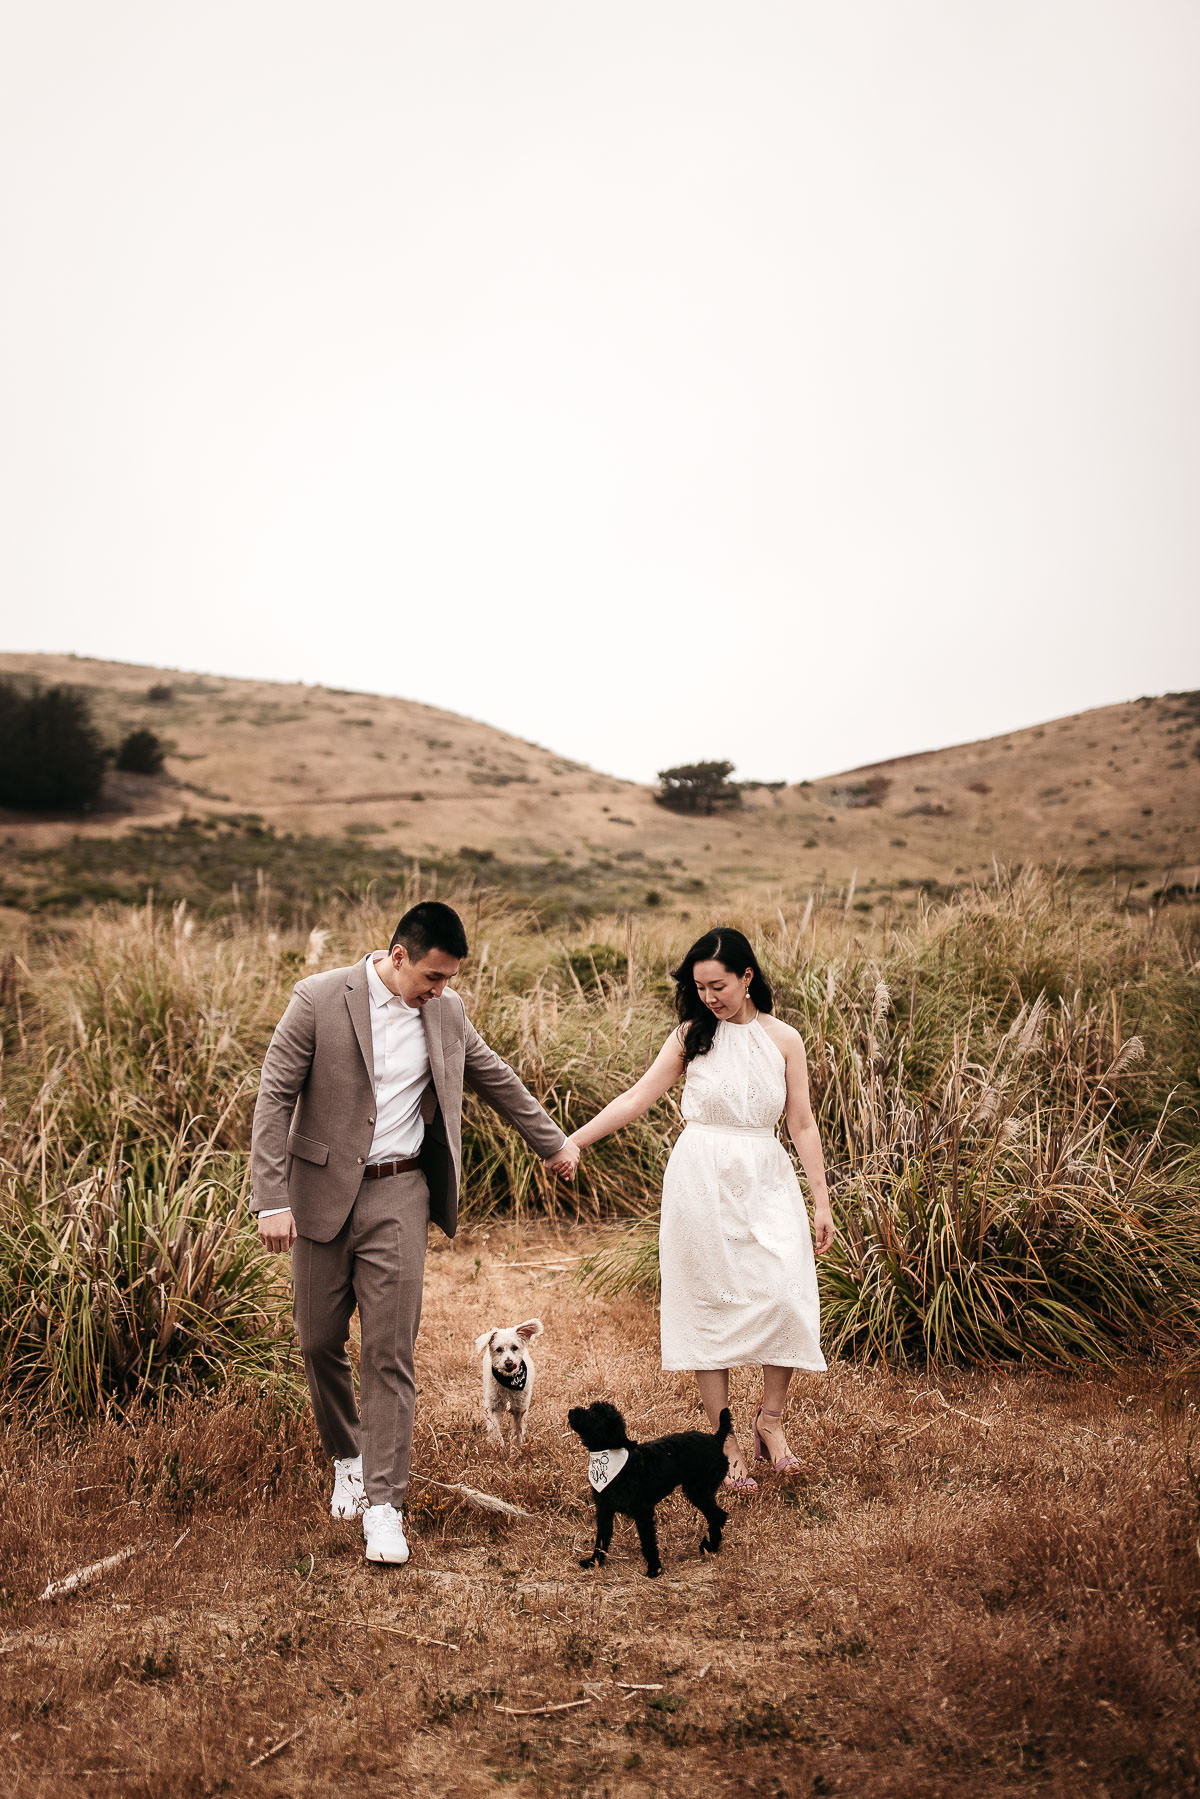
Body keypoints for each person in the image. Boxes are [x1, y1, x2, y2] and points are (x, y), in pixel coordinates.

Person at [251, 900, 578, 1564]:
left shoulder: (447, 1012)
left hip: (401, 1191)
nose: (441, 990)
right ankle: (348, 1455)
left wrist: (552, 1141)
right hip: (320, 1193)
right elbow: (274, 1093)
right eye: (432, 976)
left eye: (449, 979)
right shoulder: (317, 999)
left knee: (389, 1352)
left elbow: (495, 1077)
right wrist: (270, 1198)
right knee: (317, 1341)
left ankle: (385, 1505)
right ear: (398, 957)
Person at [567, 927, 834, 1490]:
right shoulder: (692, 1036)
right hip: (701, 1179)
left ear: (747, 977)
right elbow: (637, 1097)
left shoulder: (784, 1039)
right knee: (708, 1304)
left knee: (786, 1294)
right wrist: (574, 1141)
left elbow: (802, 1122)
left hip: (766, 1177)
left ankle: (771, 1422)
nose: (709, 997)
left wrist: (821, 1198)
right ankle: (725, 1442)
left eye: (718, 986)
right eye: (699, 987)